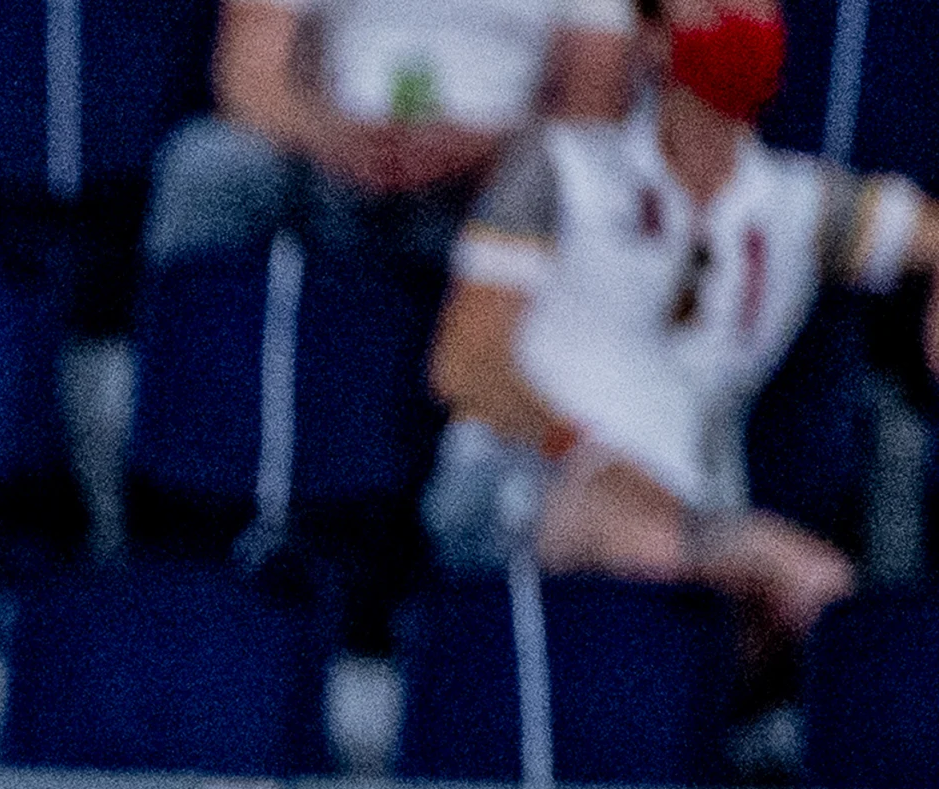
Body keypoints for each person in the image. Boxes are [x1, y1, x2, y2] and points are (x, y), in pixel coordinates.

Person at [425, 0, 939, 641]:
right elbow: (466, 363)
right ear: (652, 37)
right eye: (714, 9)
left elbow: (927, 234)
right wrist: (581, 449)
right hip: (524, 480)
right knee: (653, 546)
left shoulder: (795, 203)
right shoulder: (561, 165)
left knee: (822, 596)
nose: (743, 23)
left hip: (695, 516)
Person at [146, 0, 638, 274]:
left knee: (556, 187)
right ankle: (167, 409)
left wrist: (479, 151)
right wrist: (335, 139)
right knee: (205, 163)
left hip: (492, 177)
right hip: (333, 160)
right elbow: (249, 75)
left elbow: (592, 107)